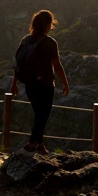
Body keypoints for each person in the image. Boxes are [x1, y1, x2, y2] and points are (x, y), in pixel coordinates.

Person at [11, 9, 70, 155]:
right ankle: (31, 143)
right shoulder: (50, 42)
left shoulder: (26, 40)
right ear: (48, 24)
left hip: (30, 85)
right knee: (43, 115)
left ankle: (40, 145)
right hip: (45, 86)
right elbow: (57, 66)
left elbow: (18, 63)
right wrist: (65, 83)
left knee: (39, 114)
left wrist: (14, 83)